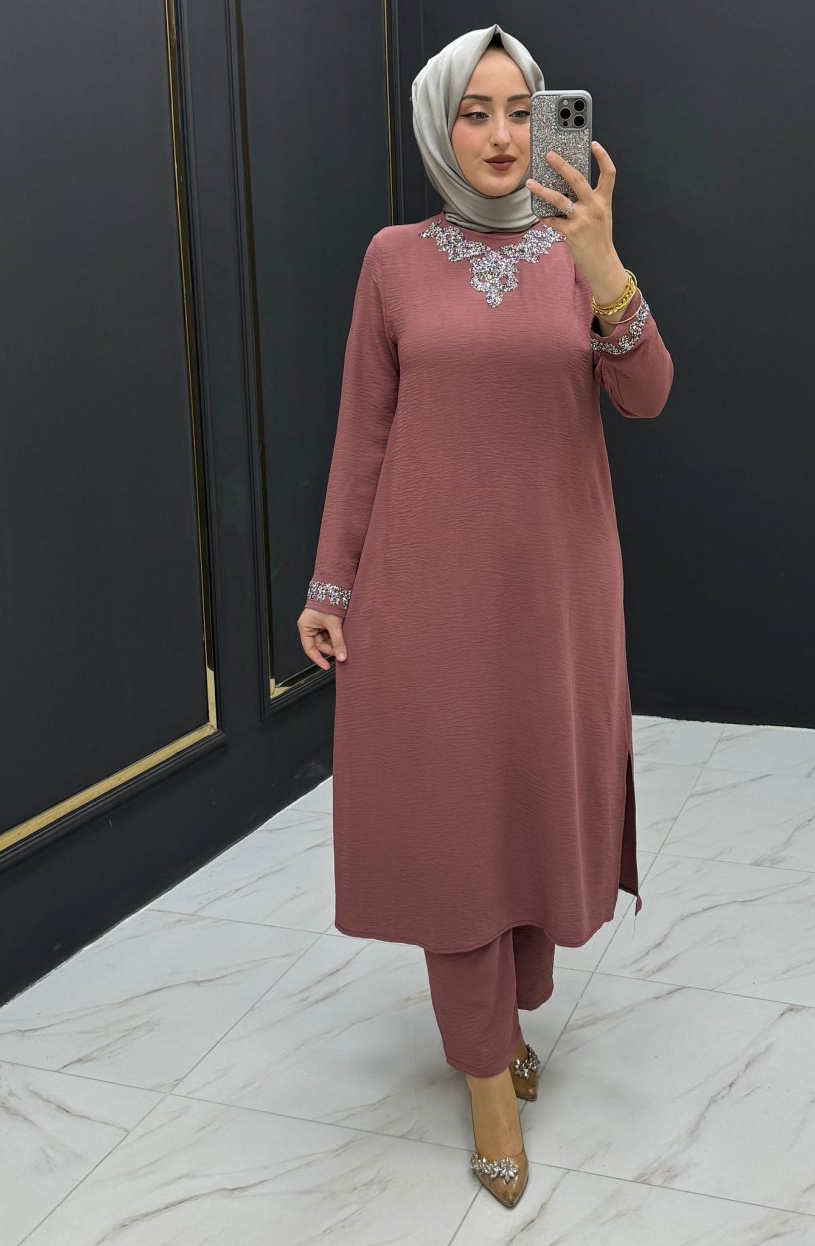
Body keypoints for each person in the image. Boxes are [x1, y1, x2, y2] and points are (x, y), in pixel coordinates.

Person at [297, 23, 674, 1209]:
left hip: (558, 597)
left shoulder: (579, 252)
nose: (503, 135)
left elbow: (648, 394)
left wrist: (606, 267)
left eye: (521, 109)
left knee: (531, 812)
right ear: (438, 124)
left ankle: (508, 1017)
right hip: (425, 600)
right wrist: (330, 583)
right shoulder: (393, 260)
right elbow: (363, 430)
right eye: (476, 111)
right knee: (452, 830)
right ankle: (484, 1078)